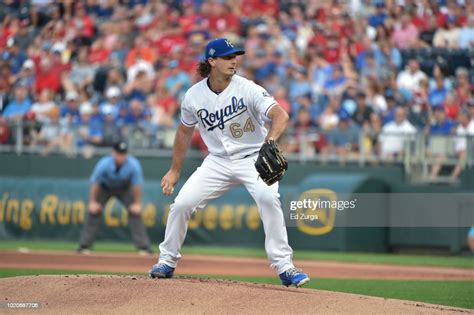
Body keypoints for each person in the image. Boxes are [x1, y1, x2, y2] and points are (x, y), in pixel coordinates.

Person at [149, 38, 310, 287]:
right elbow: (183, 132)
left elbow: (280, 115)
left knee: (269, 199)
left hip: (253, 157)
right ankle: (166, 261)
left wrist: (270, 141)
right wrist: (174, 170)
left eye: (234, 56)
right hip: (217, 162)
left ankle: (285, 267)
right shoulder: (193, 96)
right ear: (212, 61)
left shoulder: (248, 88)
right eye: (226, 57)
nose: (233, 60)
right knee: (182, 203)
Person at [78, 140, 152, 255]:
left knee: (135, 212)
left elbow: (137, 185)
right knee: (94, 211)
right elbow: (95, 183)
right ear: (113, 153)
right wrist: (92, 202)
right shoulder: (104, 163)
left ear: (126, 154)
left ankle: (143, 247)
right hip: (104, 188)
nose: (121, 156)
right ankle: (84, 245)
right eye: (118, 153)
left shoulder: (133, 164)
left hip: (124, 189)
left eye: (123, 154)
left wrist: (137, 203)